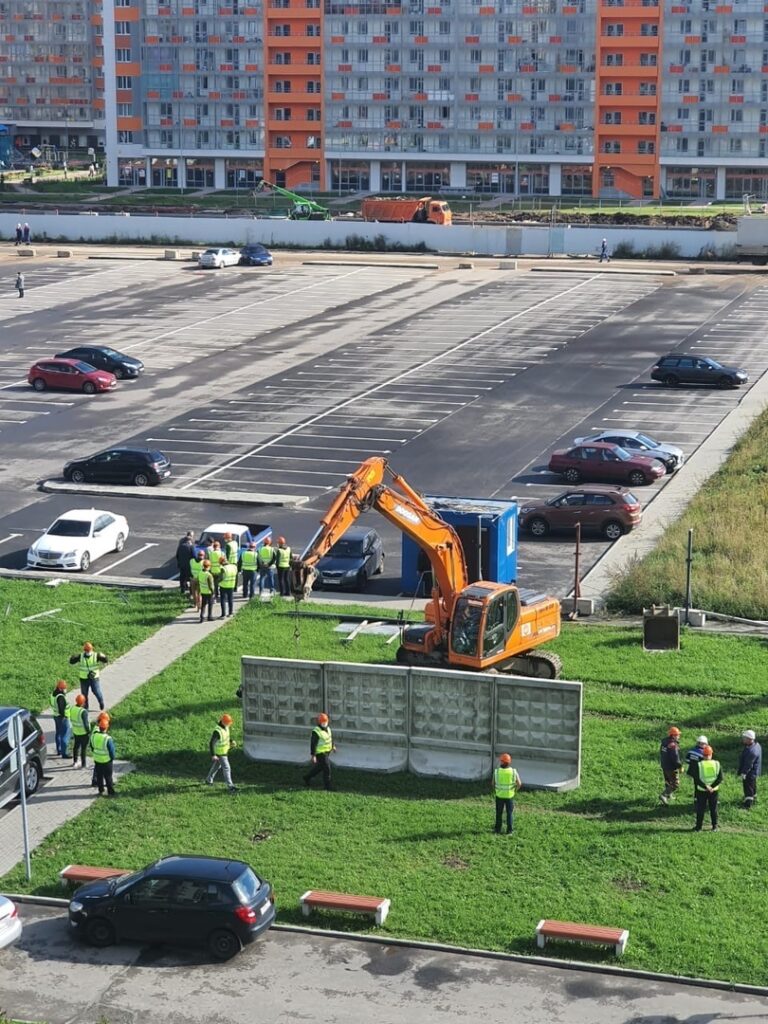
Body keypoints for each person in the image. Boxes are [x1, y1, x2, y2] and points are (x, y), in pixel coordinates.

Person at [69, 641, 108, 711]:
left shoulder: (96, 655)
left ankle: (101, 701)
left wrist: (103, 657)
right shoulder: (80, 656)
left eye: (88, 650)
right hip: (84, 679)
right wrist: (73, 657)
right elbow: (71, 661)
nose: (88, 652)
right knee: (84, 694)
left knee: (96, 691)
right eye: (87, 650)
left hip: (94, 678)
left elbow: (105, 660)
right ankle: (85, 708)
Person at [205, 713, 238, 793]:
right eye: (227, 723)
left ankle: (208, 779)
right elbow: (211, 743)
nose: (229, 725)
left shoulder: (225, 728)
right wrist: (213, 755)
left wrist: (231, 741)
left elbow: (226, 737)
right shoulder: (217, 731)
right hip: (220, 753)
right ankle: (230, 786)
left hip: (224, 751)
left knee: (217, 766)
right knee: (227, 768)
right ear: (223, 722)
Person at [303, 712, 336, 790]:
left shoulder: (328, 728)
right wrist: (313, 755)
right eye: (323, 722)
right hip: (320, 753)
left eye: (325, 722)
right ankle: (327, 786)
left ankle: (307, 777)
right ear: (319, 722)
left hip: (327, 752)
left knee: (320, 767)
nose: (324, 724)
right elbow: (313, 744)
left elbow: (330, 738)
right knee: (327, 768)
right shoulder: (316, 731)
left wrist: (333, 746)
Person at [693, 745, 722, 831]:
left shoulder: (699, 765)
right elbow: (720, 778)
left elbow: (696, 779)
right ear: (711, 754)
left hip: (702, 790)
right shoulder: (717, 764)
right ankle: (715, 826)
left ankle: (698, 827)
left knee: (700, 809)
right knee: (713, 809)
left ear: (703, 755)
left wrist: (706, 786)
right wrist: (711, 787)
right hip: (714, 790)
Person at [493, 752, 521, 835]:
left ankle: (497, 830)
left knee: (499, 813)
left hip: (499, 796)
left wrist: (497, 790)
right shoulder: (513, 771)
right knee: (509, 814)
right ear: (509, 762)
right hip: (509, 796)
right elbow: (519, 784)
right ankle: (509, 831)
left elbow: (492, 784)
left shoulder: (497, 772)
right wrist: (515, 791)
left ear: (502, 762)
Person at [89, 713, 116, 797]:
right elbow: (112, 751)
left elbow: (92, 745)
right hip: (106, 760)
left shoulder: (94, 735)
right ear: (106, 727)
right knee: (108, 776)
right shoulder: (107, 738)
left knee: (100, 776)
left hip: (97, 759)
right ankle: (110, 791)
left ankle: (101, 790)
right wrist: (112, 758)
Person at [737, 730, 762, 810]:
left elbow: (748, 764)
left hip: (750, 773)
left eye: (745, 738)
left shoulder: (752, 752)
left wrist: (744, 773)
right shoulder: (756, 745)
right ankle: (754, 797)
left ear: (749, 739)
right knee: (753, 785)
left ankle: (748, 803)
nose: (743, 739)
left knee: (748, 787)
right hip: (754, 772)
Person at [659, 726, 683, 805]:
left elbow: (661, 753)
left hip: (664, 765)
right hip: (671, 767)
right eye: (678, 735)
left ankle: (669, 795)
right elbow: (675, 758)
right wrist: (680, 766)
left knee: (668, 781)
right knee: (675, 784)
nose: (679, 736)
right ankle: (664, 795)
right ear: (673, 735)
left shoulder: (664, 742)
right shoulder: (673, 745)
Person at [67, 694, 90, 769]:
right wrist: (88, 731)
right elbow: (86, 724)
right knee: (83, 749)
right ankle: (83, 764)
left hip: (76, 731)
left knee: (76, 747)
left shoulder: (72, 708)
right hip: (83, 733)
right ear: (83, 702)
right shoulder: (83, 712)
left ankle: (75, 761)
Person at [50, 680, 70, 758]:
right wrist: (64, 716)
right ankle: (64, 753)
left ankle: (59, 750)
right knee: (64, 735)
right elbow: (62, 709)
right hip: (62, 718)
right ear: (61, 688)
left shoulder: (53, 694)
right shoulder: (60, 697)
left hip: (56, 716)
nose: (65, 689)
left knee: (58, 733)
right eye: (64, 688)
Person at [175, 531, 195, 595]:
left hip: (182, 564)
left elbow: (177, 555)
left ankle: (182, 590)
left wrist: (179, 562)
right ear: (189, 541)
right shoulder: (191, 547)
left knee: (182, 577)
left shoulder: (180, 546)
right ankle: (191, 591)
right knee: (190, 578)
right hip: (189, 565)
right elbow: (193, 556)